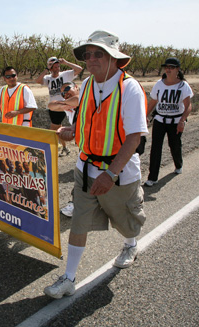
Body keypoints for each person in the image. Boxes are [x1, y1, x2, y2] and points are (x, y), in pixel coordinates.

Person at [44, 30, 148, 299]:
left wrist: (110, 174)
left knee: (124, 221)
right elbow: (86, 122)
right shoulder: (88, 84)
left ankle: (130, 243)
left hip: (119, 172)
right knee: (79, 220)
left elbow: (134, 137)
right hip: (86, 168)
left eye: (98, 54)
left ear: (114, 59)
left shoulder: (130, 88)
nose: (91, 59)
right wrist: (73, 133)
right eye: (87, 54)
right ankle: (68, 278)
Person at [144, 57, 194, 187]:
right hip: (160, 120)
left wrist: (182, 120)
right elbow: (153, 102)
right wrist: (145, 116)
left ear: (177, 69)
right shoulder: (159, 84)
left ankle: (178, 164)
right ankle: (152, 177)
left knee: (175, 145)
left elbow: (188, 105)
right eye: (166, 67)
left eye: (171, 67)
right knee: (155, 148)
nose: (168, 69)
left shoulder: (183, 86)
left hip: (176, 121)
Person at [36, 57, 83, 156]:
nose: (57, 68)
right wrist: (46, 69)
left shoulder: (65, 75)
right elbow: (38, 80)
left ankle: (47, 150)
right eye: (55, 66)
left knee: (53, 129)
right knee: (57, 128)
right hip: (56, 106)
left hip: (65, 106)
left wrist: (66, 62)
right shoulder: (48, 78)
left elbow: (79, 69)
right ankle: (65, 148)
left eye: (58, 66)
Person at [48, 82, 81, 218]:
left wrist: (65, 103)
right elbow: (51, 106)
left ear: (77, 87)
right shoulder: (70, 107)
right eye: (62, 93)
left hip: (97, 146)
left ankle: (76, 205)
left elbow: (78, 100)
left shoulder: (86, 97)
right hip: (83, 146)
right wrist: (67, 103)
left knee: (82, 176)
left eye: (68, 89)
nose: (65, 93)